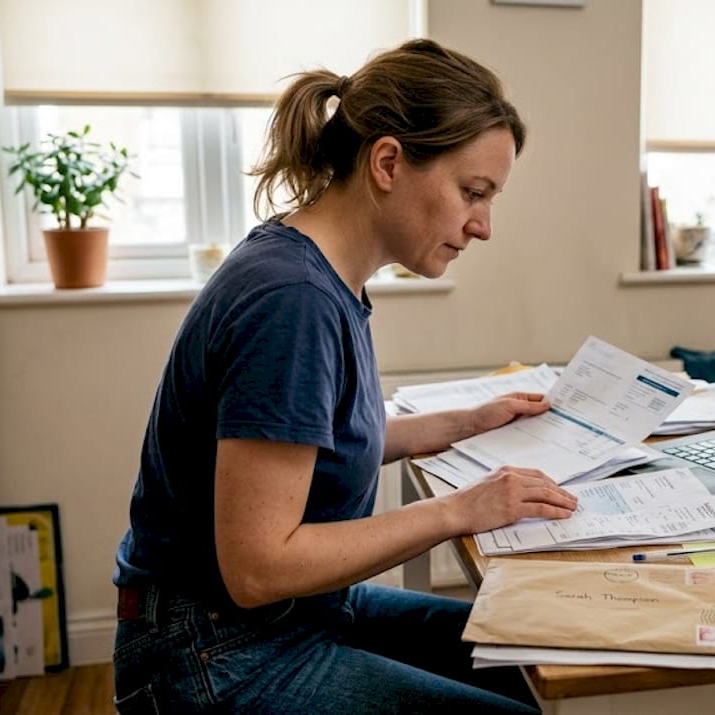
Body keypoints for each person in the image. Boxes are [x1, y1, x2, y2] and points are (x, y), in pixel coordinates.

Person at [111, 39, 578, 714]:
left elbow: (312, 441)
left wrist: (460, 425)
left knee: (534, 651)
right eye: (472, 192)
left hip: (273, 620)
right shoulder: (290, 301)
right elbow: (258, 566)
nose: (483, 226)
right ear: (388, 162)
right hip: (215, 652)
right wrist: (457, 510)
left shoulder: (319, 275)